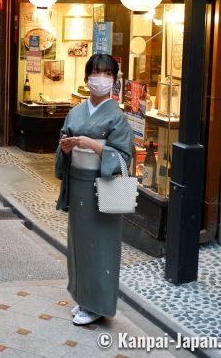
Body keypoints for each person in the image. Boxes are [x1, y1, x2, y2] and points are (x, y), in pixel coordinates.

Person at [54, 53, 133, 327]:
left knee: (101, 246)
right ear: (87, 78)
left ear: (114, 79)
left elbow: (124, 157)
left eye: (108, 73)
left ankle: (98, 305)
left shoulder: (118, 117)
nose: (101, 78)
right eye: (97, 72)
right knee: (79, 244)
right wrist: (65, 148)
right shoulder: (76, 111)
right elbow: (62, 145)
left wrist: (94, 144)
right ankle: (83, 299)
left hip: (104, 186)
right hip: (78, 183)